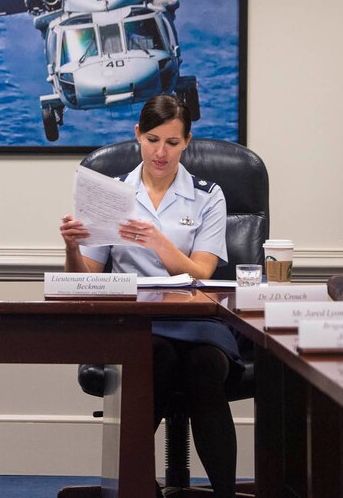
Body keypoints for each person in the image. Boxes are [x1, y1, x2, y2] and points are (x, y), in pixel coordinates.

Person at [60, 94, 239, 498]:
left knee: (205, 368)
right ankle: (137, 489)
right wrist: (72, 247)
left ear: (187, 142)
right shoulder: (112, 193)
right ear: (137, 135)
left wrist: (160, 243)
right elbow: (86, 277)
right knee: (153, 360)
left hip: (197, 321)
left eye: (172, 143)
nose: (161, 152)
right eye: (153, 139)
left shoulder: (207, 195)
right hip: (135, 321)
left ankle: (224, 493)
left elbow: (202, 272)